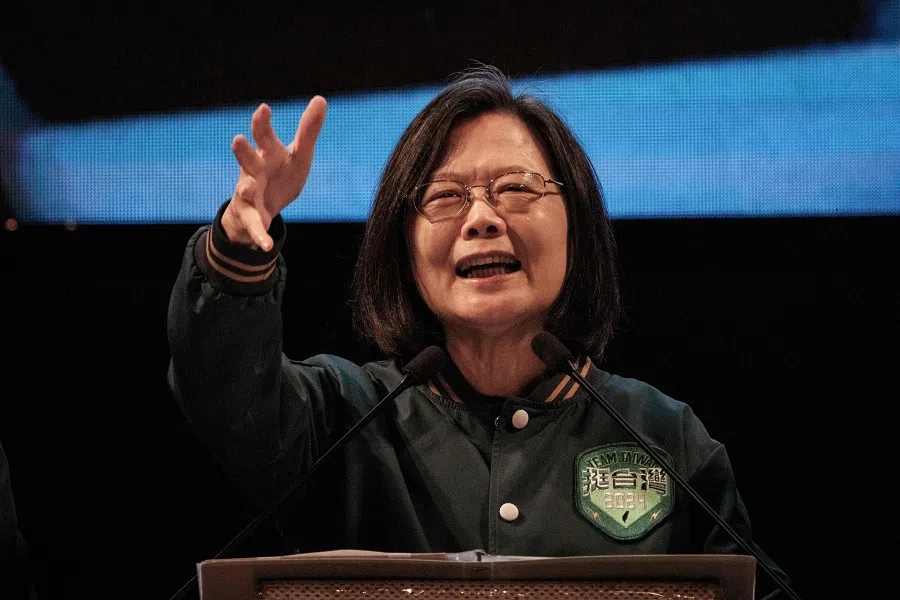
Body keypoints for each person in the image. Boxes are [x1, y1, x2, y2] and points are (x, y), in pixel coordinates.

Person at [167, 65, 788, 597]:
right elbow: (223, 388)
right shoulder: (343, 418)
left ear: (578, 226)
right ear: (402, 247)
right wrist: (238, 253)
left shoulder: (665, 439)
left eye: (517, 188)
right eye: (446, 196)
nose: (484, 218)